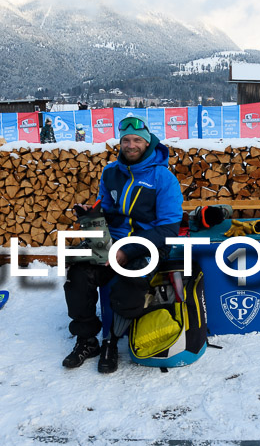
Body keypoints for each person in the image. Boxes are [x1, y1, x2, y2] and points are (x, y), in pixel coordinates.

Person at [62, 115, 183, 374]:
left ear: (147, 143)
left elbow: (169, 228)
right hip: (111, 240)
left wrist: (127, 252)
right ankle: (87, 339)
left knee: (127, 287)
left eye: (137, 140)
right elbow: (104, 207)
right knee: (78, 272)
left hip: (147, 245)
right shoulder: (110, 173)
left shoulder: (164, 179)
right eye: (126, 140)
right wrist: (90, 214)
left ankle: (112, 339)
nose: (131, 145)